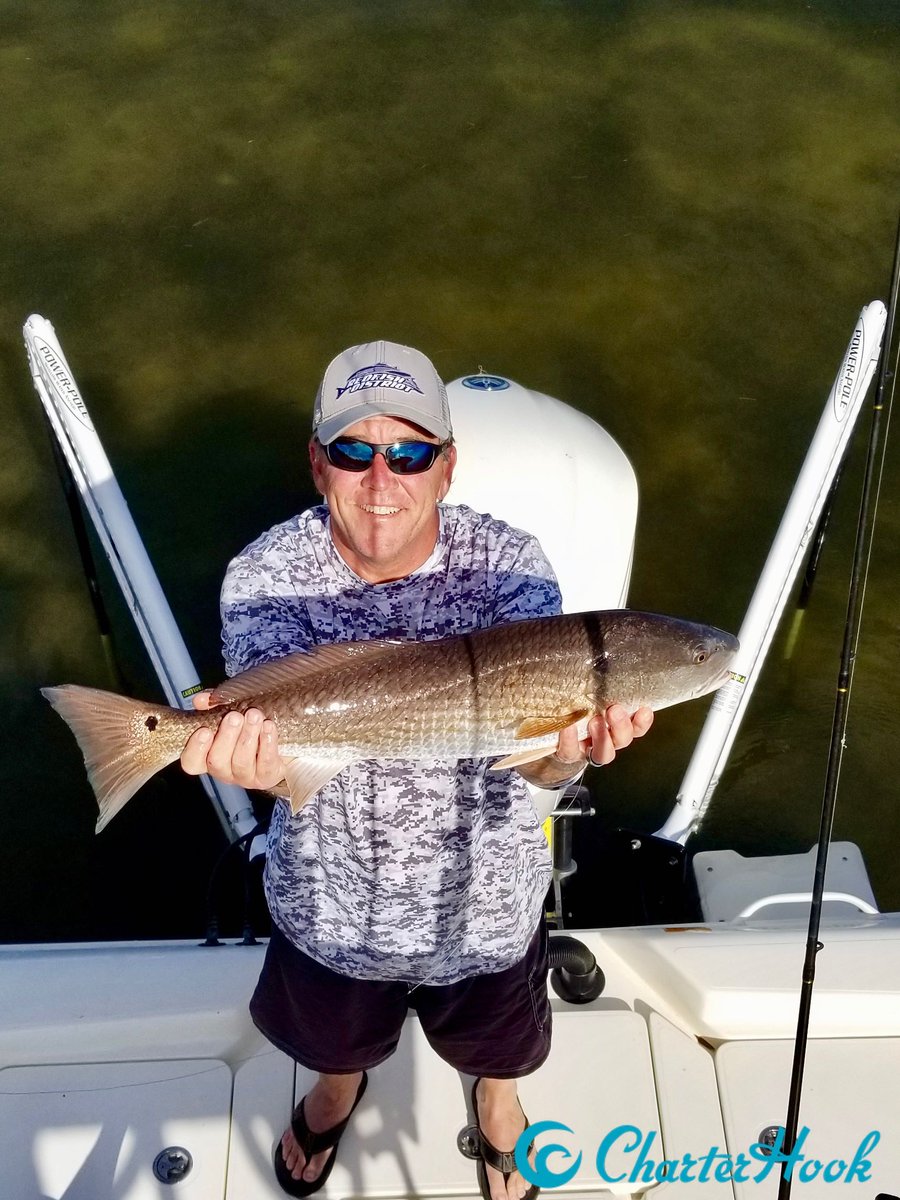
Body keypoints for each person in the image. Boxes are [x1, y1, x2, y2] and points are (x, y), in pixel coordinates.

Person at [180, 341, 653, 1200]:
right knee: (332, 1043)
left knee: (498, 1049)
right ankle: (337, 1089)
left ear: (447, 468)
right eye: (353, 451)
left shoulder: (509, 565)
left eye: (408, 454)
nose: (380, 480)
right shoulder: (265, 577)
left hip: (485, 906)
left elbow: (540, 763)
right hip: (330, 905)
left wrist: (565, 754)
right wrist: (253, 770)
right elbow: (283, 769)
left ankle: (498, 1103)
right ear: (318, 463)